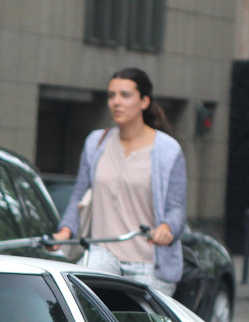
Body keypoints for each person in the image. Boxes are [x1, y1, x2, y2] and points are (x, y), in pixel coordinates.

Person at [53, 67, 186, 296]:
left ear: (144, 101)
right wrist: (65, 232)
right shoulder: (96, 142)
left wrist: (166, 228)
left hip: (149, 262)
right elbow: (79, 195)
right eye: (111, 95)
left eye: (125, 95)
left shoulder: (167, 150)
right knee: (84, 307)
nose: (116, 102)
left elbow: (176, 209)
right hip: (103, 252)